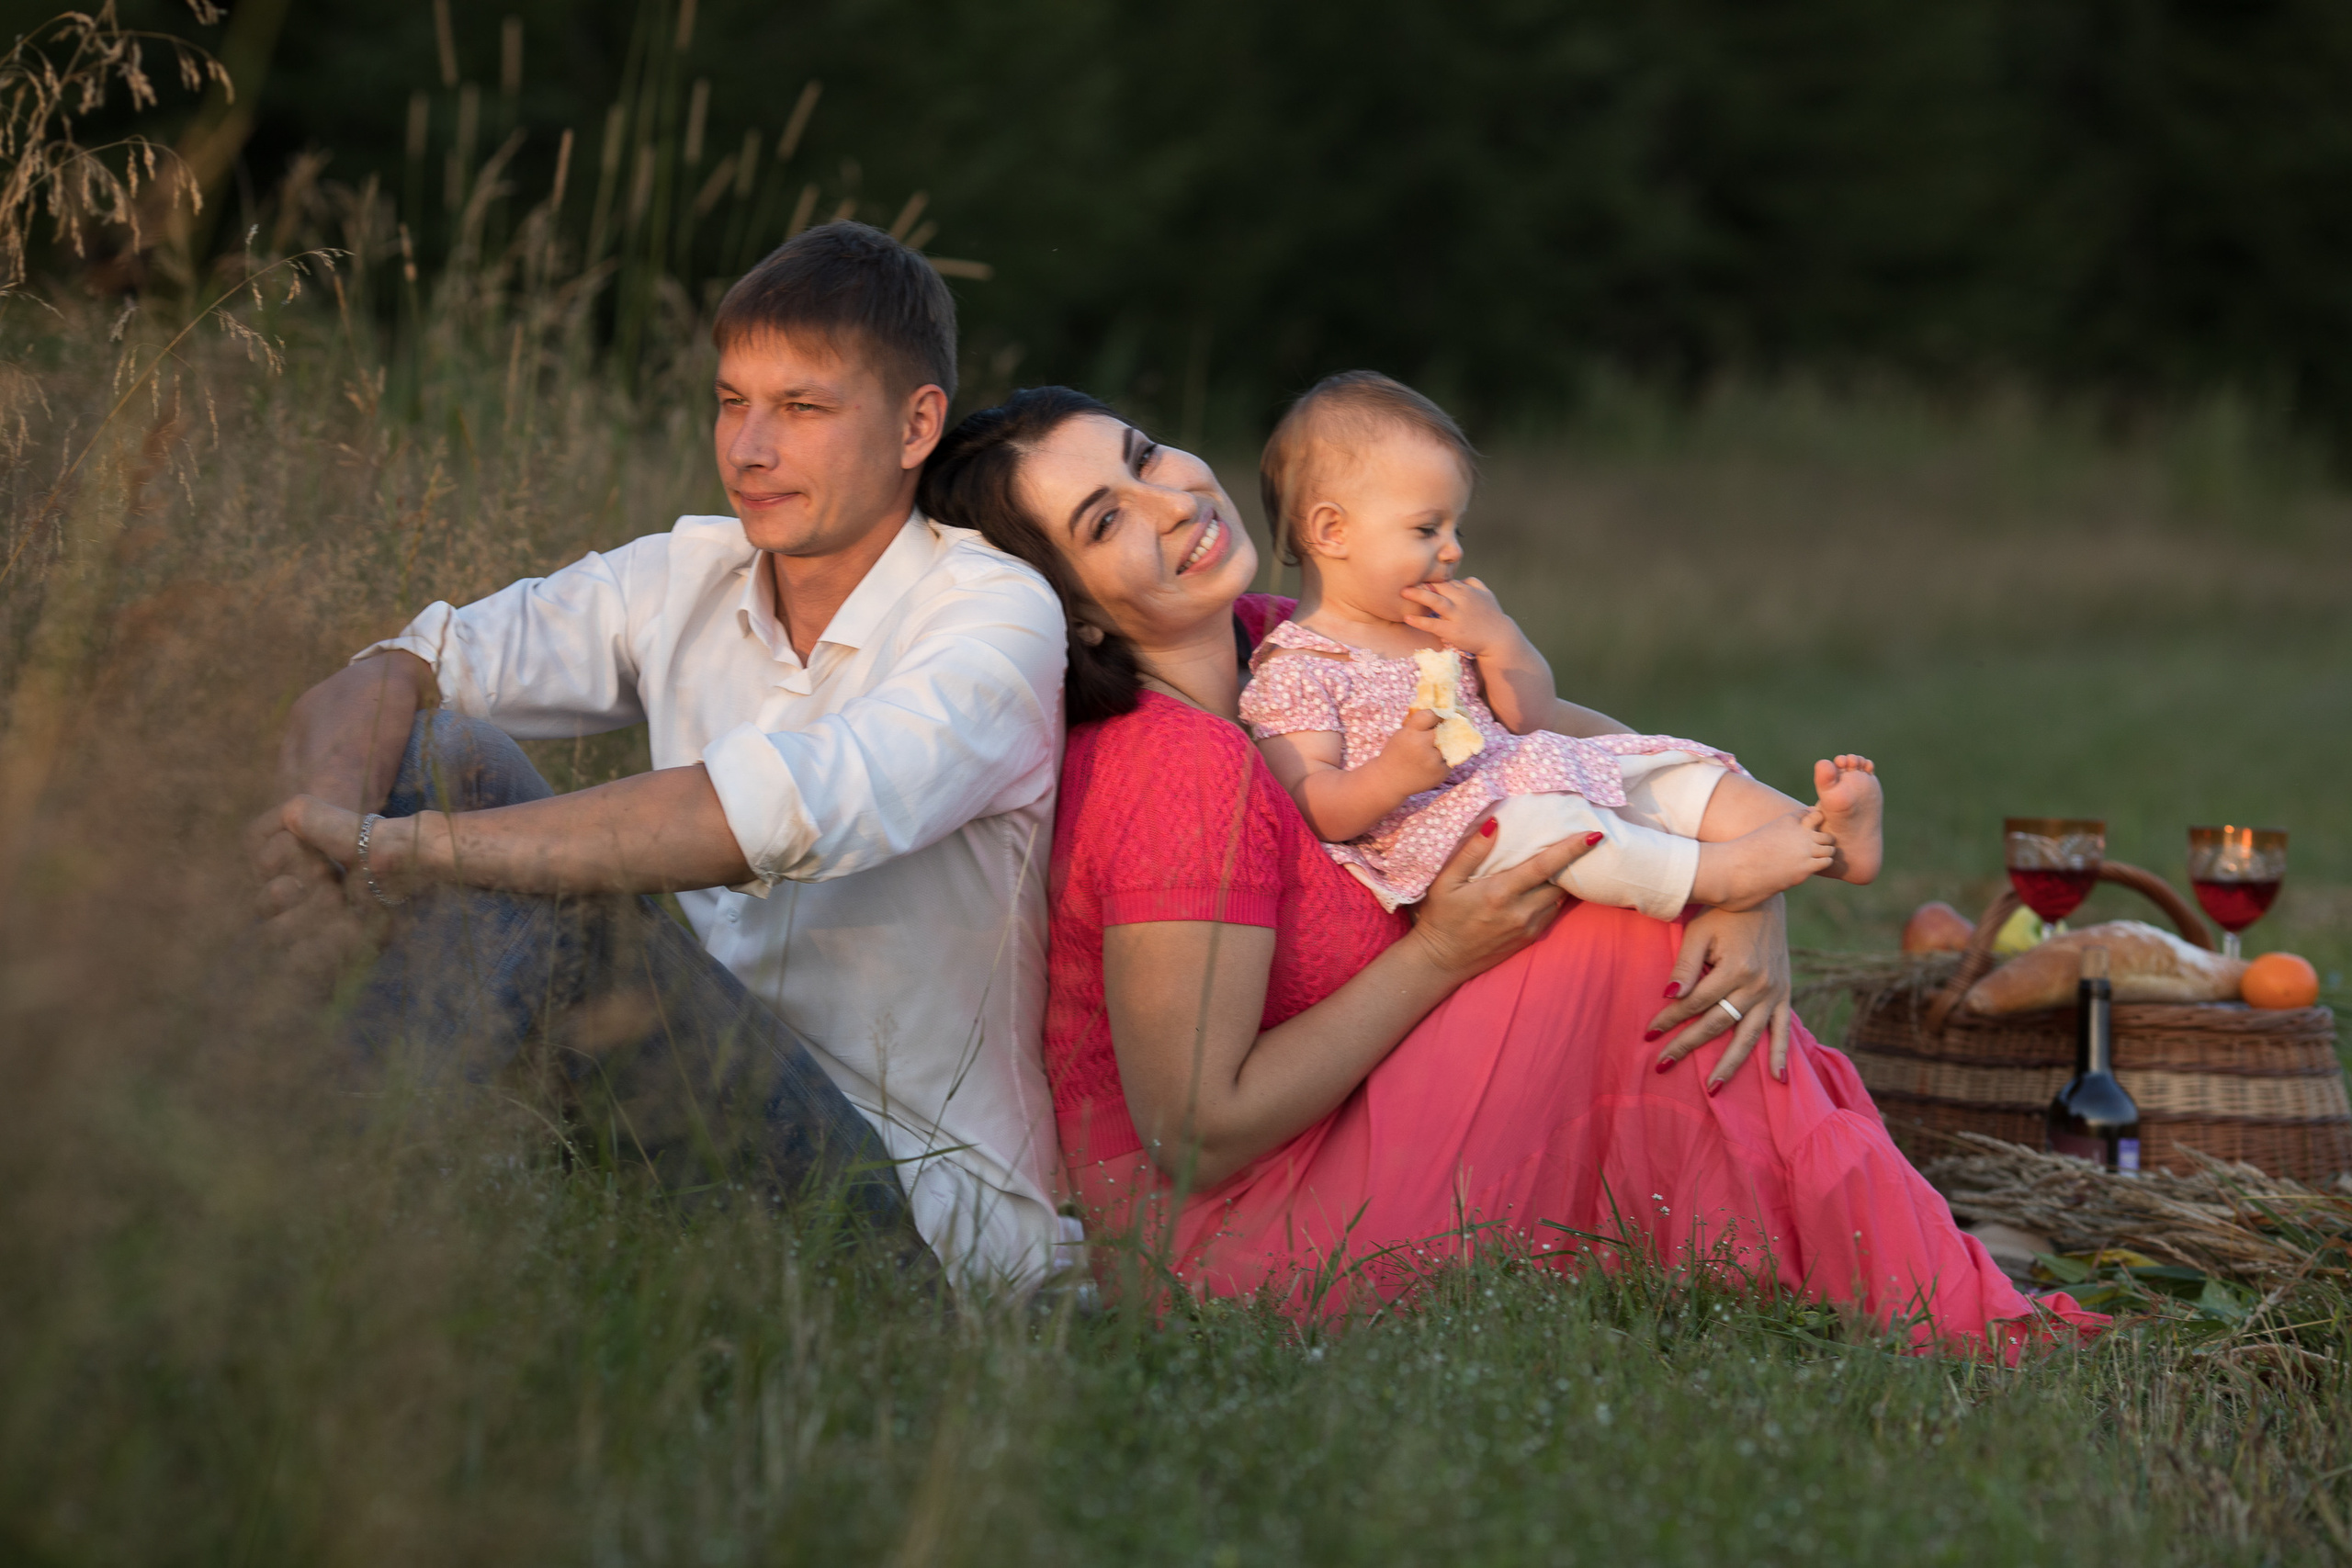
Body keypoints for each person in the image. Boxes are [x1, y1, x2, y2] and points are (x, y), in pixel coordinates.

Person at [917, 385, 2104, 1355]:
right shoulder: (1175, 767)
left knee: (1616, 896)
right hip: (1233, 1239)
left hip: (1343, 1130)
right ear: (1072, 612)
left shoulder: (1282, 641)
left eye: (1143, 454)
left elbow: (1564, 741)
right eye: (1105, 520)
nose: (1171, 498)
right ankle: (1911, 1282)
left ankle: (1880, 1262)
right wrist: (1444, 952)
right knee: (1606, 921)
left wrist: (1744, 883)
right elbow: (1197, 1132)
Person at [250, 223, 1071, 1292]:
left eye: (802, 409)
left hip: (913, 1208)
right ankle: (293, 1180)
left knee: (530, 864)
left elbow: (763, 817)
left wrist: (406, 848)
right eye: (732, 402)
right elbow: (392, 671)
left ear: (917, 424)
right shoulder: (686, 574)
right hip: (696, 1108)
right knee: (442, 750)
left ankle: (307, 1214)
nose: (748, 449)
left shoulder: (994, 616)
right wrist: (327, 842)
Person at [1242, 370, 1883, 921]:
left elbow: (1529, 716)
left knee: (1659, 770)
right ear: (1332, 531)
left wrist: (1501, 639)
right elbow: (1313, 804)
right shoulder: (1299, 668)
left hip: (1531, 771)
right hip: (1454, 833)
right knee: (1551, 827)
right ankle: (1714, 875)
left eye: (1457, 526)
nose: (1454, 549)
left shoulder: (1444, 622)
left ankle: (1825, 834)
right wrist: (1392, 775)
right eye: (1427, 528)